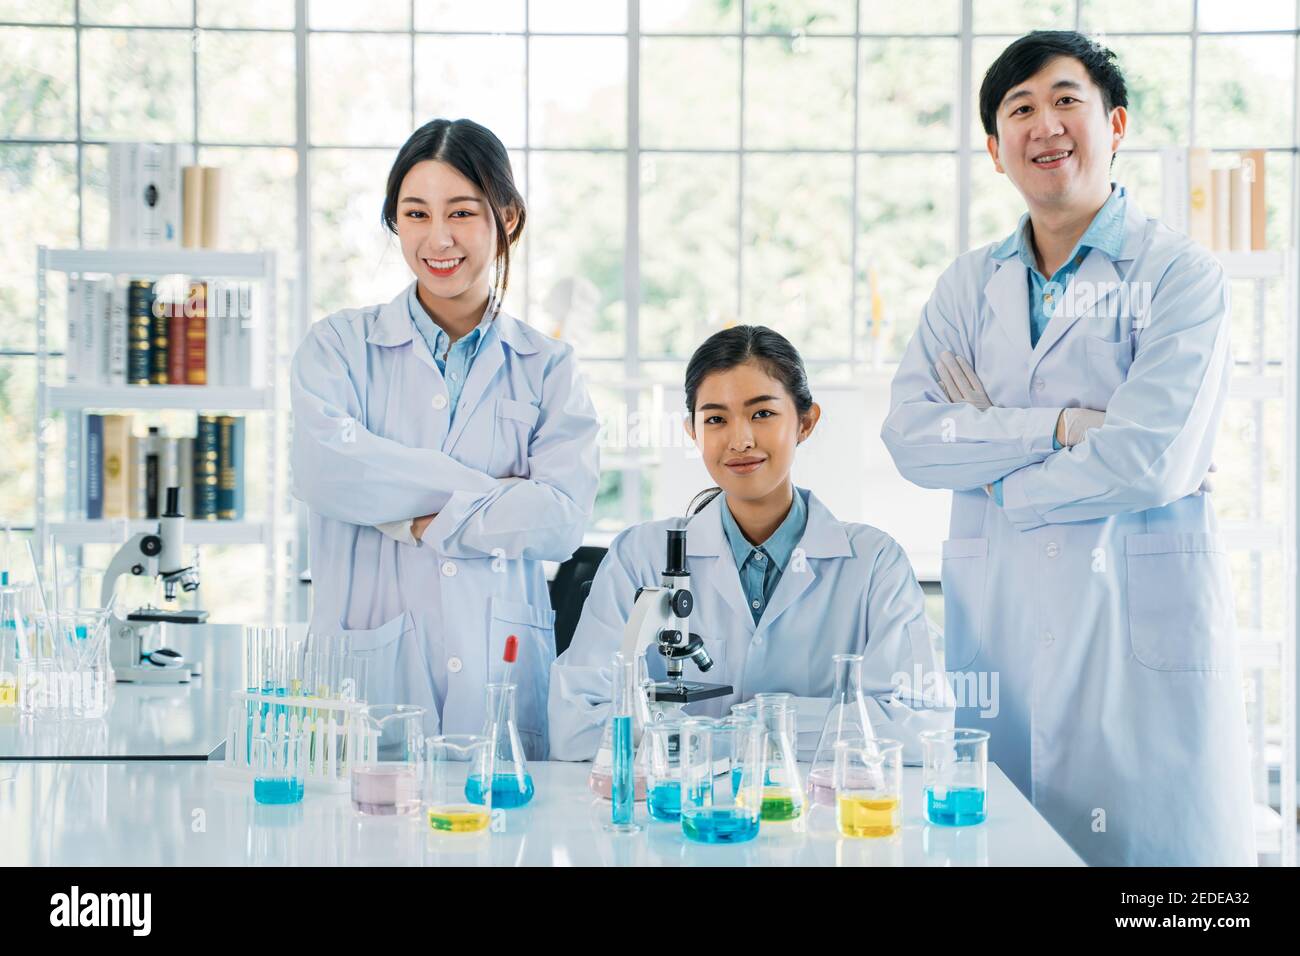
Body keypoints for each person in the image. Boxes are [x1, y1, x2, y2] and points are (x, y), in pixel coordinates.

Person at [882, 31, 1253, 865]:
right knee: (1003, 843)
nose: (1044, 124)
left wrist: (996, 470)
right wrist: (1055, 427)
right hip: (1003, 637)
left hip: (1138, 638)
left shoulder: (1179, 275)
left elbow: (1151, 458)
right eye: (1020, 109)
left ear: (1114, 125)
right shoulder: (966, 286)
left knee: (1156, 891)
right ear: (994, 147)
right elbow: (911, 438)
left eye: (1065, 100)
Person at [291, 118, 600, 758]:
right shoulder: (339, 348)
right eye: (415, 213)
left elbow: (560, 523)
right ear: (394, 223)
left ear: (507, 218)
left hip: (500, 675)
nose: (438, 238)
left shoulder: (549, 367)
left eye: (461, 212)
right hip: (366, 678)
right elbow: (326, 473)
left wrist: (417, 519)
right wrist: (492, 494)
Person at [549, 325, 952, 762]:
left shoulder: (874, 563)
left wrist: (751, 726)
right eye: (716, 419)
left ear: (806, 422)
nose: (739, 440)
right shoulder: (639, 556)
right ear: (692, 432)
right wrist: (783, 732)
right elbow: (576, 725)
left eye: (761, 414)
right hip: (677, 819)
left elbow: (919, 727)